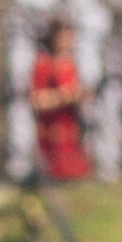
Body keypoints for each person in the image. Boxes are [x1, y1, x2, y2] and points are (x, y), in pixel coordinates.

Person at [31, 17, 93, 184]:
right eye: (66, 37)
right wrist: (65, 96)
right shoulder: (44, 64)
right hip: (52, 135)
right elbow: (38, 100)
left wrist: (81, 97)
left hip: (72, 133)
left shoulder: (71, 65)